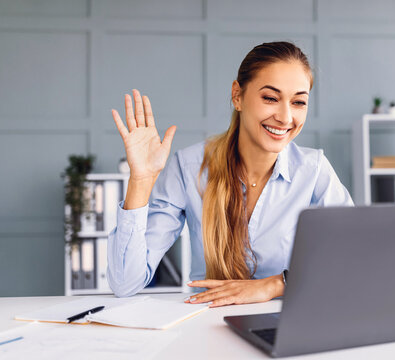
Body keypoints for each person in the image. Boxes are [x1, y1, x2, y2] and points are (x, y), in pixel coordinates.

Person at [107, 41, 353, 307]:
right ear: (238, 96)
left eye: (298, 102)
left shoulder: (313, 171)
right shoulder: (189, 168)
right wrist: (141, 181)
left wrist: (274, 285)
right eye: (270, 98)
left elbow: (357, 258)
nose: (285, 117)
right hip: (207, 327)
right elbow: (125, 283)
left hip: (286, 325)